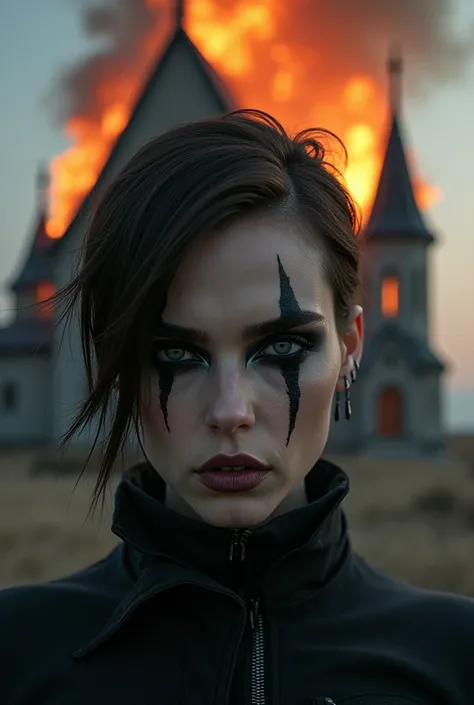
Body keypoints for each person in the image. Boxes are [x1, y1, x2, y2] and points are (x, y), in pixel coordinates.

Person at [1, 110, 473, 705]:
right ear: (119, 361)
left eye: (281, 347)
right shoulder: (18, 654)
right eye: (175, 352)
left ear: (350, 347)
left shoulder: (456, 660)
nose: (230, 411)